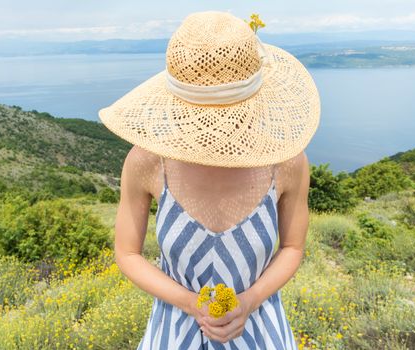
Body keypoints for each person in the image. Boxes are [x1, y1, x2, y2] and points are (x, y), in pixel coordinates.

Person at [98, 10, 321, 350]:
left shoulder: (286, 162)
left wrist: (250, 300)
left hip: (261, 332)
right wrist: (190, 302)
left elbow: (293, 247)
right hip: (172, 333)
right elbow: (127, 253)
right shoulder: (147, 161)